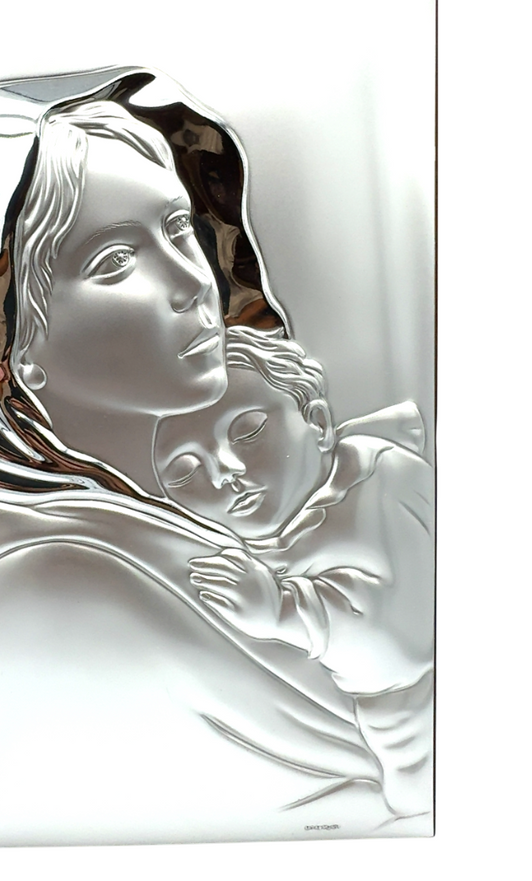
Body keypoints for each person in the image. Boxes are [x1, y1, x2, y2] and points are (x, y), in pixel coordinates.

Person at [0, 68, 403, 847]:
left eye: (181, 230)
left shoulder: (221, 515)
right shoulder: (61, 589)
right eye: (117, 261)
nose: (192, 284)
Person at [154, 327, 434, 816]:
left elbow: (401, 641)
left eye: (248, 431)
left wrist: (284, 611)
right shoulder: (231, 538)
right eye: (184, 471)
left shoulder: (384, 481)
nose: (223, 470)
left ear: (318, 423)